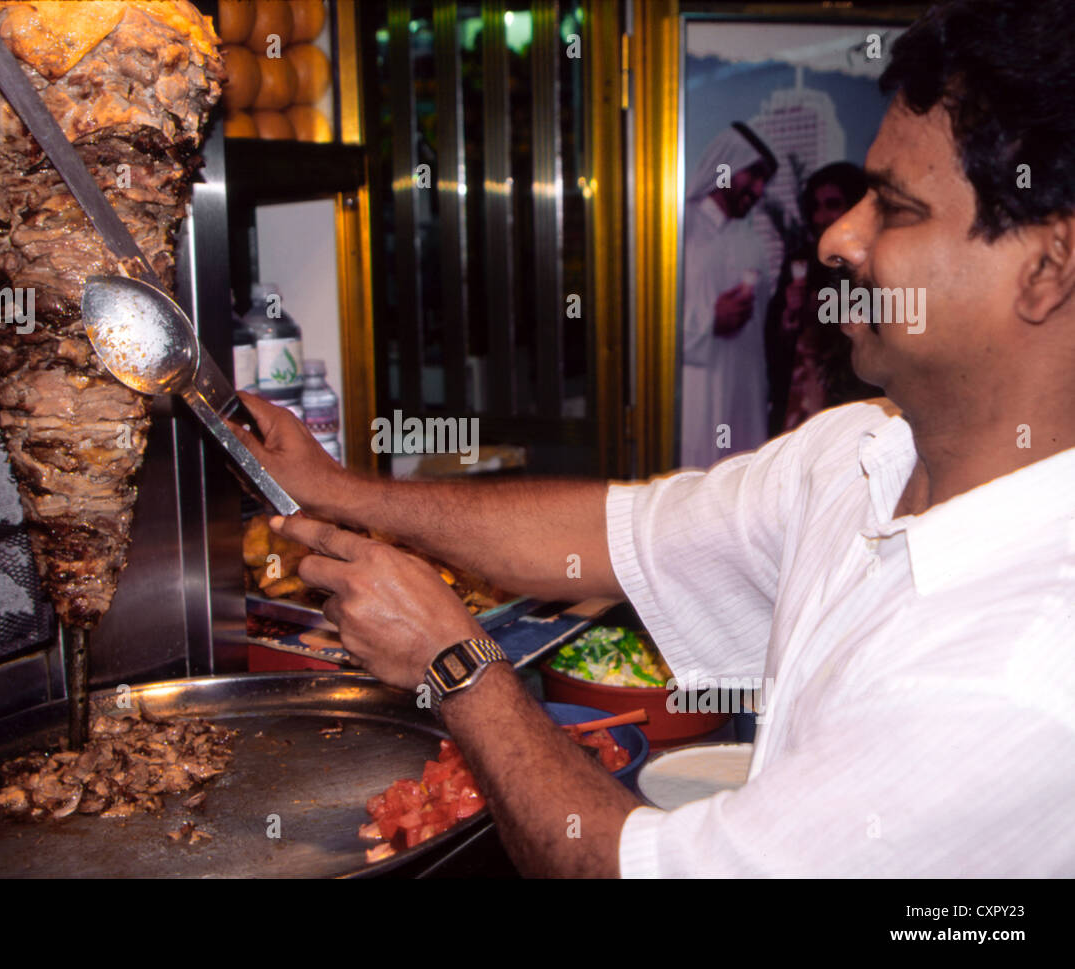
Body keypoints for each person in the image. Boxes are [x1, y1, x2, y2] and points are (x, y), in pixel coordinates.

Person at [230, 0, 1075, 876]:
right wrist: (342, 489)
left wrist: (458, 665)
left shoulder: (1013, 673)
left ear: (1047, 267)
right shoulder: (860, 454)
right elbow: (606, 534)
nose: (837, 236)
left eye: (895, 209)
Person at [680, 122, 778, 468]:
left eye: (764, 180)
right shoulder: (681, 228)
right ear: (726, 167)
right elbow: (646, 320)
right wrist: (710, 321)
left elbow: (765, 326)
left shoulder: (750, 241)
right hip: (695, 389)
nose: (758, 188)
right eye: (752, 175)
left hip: (744, 387)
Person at [765, 161, 879, 435]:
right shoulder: (801, 261)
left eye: (832, 204)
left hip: (854, 399)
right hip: (799, 400)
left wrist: (830, 310)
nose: (821, 216)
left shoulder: (874, 260)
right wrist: (790, 317)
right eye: (815, 207)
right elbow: (775, 339)